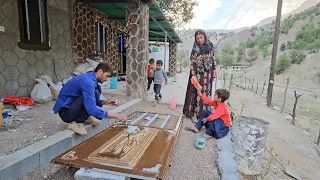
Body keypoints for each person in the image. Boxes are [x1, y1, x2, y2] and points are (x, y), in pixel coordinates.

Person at [53, 63, 128, 135]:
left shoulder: (91, 80)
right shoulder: (88, 82)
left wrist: (106, 102)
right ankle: (76, 122)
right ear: (100, 71)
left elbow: (92, 99)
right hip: (66, 113)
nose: (107, 79)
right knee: (93, 95)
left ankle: (83, 118)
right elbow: (91, 109)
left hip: (72, 107)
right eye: (107, 76)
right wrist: (116, 116)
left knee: (96, 91)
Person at [183, 29, 216, 123]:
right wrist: (193, 75)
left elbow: (213, 58)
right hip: (198, 73)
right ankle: (194, 114)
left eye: (201, 37)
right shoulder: (195, 48)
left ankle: (205, 113)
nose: (200, 40)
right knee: (196, 92)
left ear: (204, 36)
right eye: (197, 38)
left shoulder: (210, 45)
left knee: (207, 92)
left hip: (208, 73)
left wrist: (214, 69)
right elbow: (192, 63)